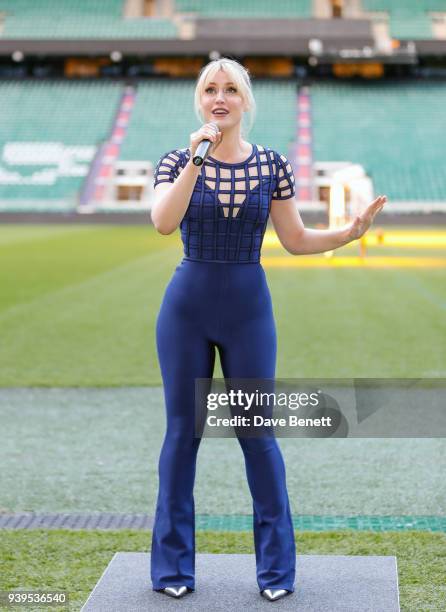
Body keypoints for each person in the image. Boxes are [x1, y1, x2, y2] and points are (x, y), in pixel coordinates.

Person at [149, 57, 386, 602]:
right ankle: (172, 570)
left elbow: (296, 239)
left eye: (231, 89)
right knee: (182, 435)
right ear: (199, 100)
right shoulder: (176, 160)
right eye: (210, 89)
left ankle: (276, 574)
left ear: (246, 101)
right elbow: (163, 222)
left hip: (249, 311)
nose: (220, 98)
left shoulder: (272, 164)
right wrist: (194, 160)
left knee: (257, 435)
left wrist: (348, 234)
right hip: (185, 310)